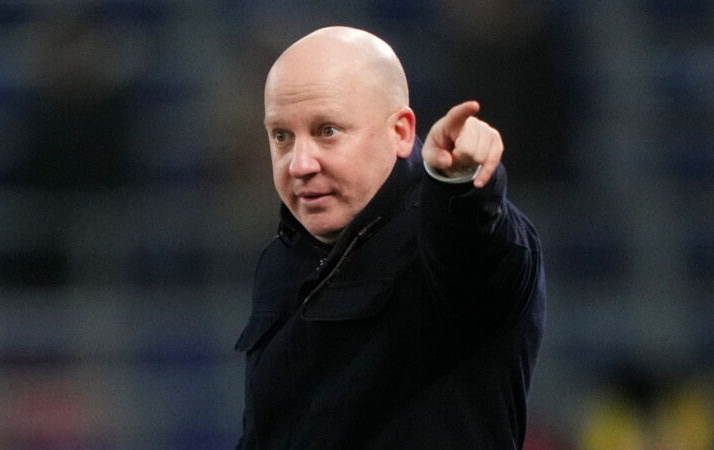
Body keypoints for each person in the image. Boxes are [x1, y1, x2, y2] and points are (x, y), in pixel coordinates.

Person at [234, 26, 545, 449]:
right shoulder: (280, 261)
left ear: (400, 132)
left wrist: (459, 186)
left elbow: (474, 250)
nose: (299, 164)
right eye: (281, 136)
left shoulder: (440, 238)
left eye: (327, 131)